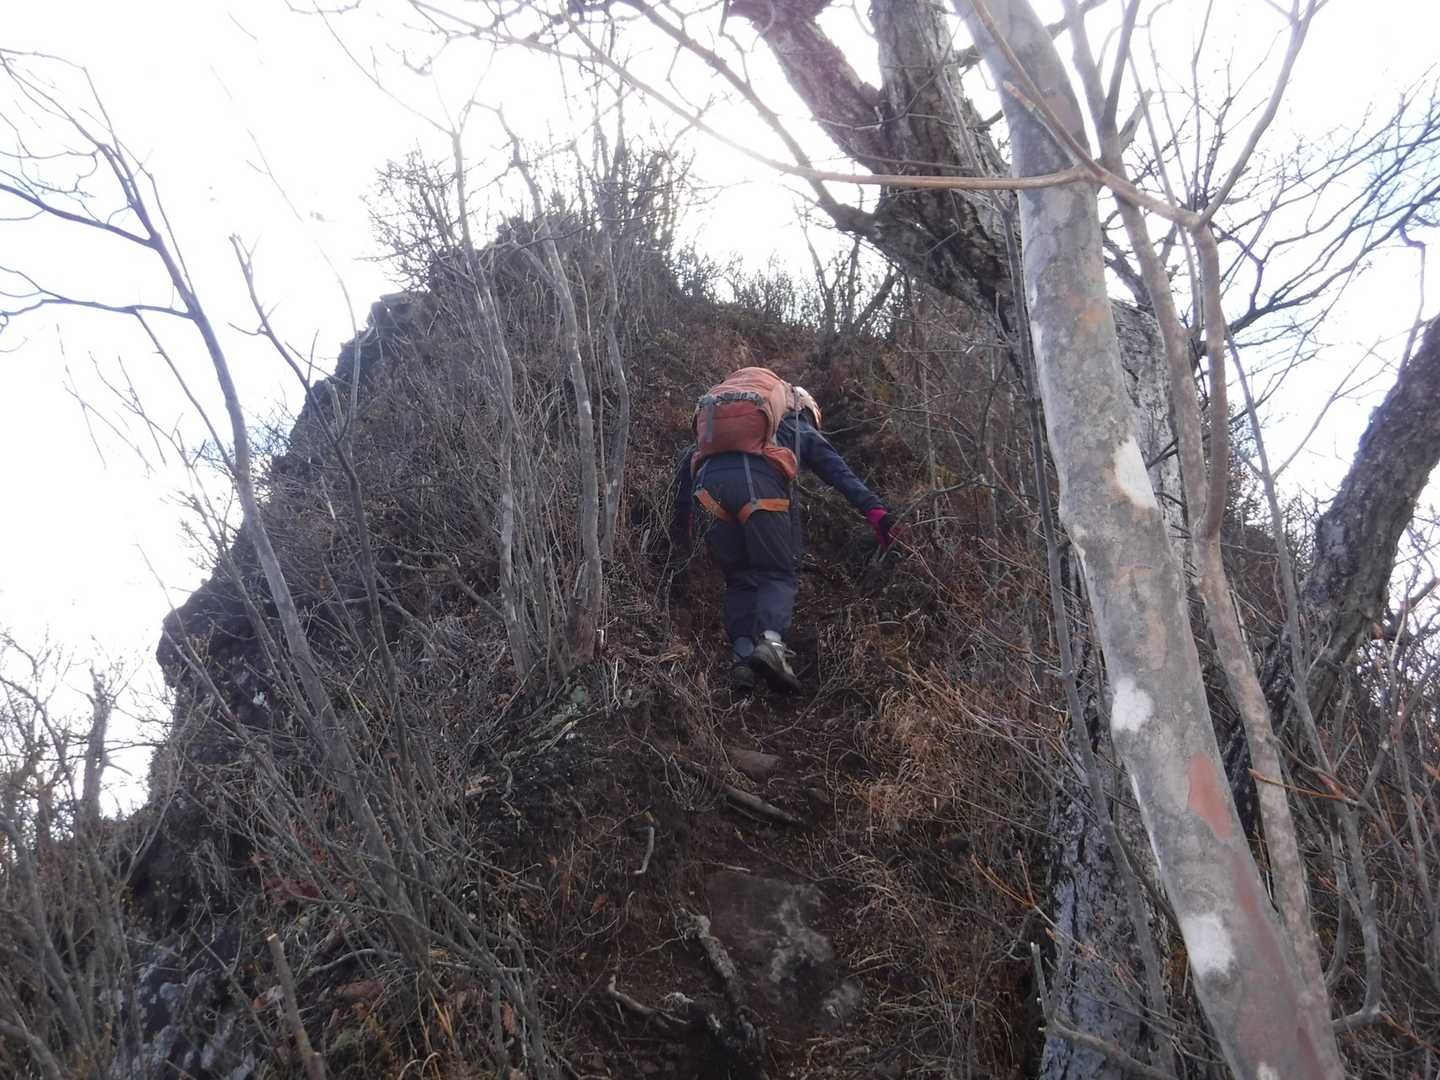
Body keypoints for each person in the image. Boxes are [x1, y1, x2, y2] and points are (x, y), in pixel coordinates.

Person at [669, 366, 896, 692]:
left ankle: (742, 657)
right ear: (803, 408)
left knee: (739, 577)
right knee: (777, 573)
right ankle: (772, 644)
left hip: (708, 490)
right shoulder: (793, 424)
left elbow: (687, 461)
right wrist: (876, 512)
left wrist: (683, 525)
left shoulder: (719, 429)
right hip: (759, 489)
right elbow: (838, 471)